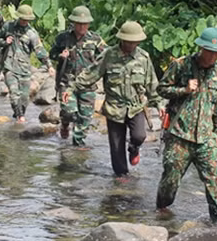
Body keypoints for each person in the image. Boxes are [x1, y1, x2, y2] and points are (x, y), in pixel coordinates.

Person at [64, 21, 163, 177]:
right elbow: (91, 73)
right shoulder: (109, 55)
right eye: (129, 41)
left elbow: (152, 82)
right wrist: (71, 88)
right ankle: (121, 176)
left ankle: (134, 148)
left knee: (139, 136)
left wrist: (159, 104)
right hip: (114, 107)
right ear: (122, 39)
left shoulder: (143, 57)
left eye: (135, 42)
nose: (132, 44)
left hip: (135, 106)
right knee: (116, 147)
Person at [156, 27, 217, 224]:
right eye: (209, 51)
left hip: (206, 137)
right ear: (201, 48)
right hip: (180, 134)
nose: (213, 56)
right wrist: (183, 90)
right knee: (171, 178)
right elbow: (161, 89)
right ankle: (162, 210)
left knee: (216, 181)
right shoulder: (180, 65)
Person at [49, 6, 107, 146]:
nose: (82, 26)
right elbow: (51, 54)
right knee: (69, 112)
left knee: (85, 117)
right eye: (79, 23)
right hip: (67, 82)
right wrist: (60, 56)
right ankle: (65, 124)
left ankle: (78, 143)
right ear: (74, 23)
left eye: (85, 23)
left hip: (88, 84)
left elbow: (106, 56)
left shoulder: (95, 39)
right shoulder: (63, 38)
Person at [0, 4, 54, 122]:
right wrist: (5, 42)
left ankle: (19, 113)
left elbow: (39, 50)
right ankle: (19, 117)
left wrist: (49, 66)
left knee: (24, 97)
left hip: (24, 69)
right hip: (9, 66)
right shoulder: (8, 27)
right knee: (14, 93)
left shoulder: (32, 33)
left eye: (27, 20)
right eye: (23, 19)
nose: (24, 22)